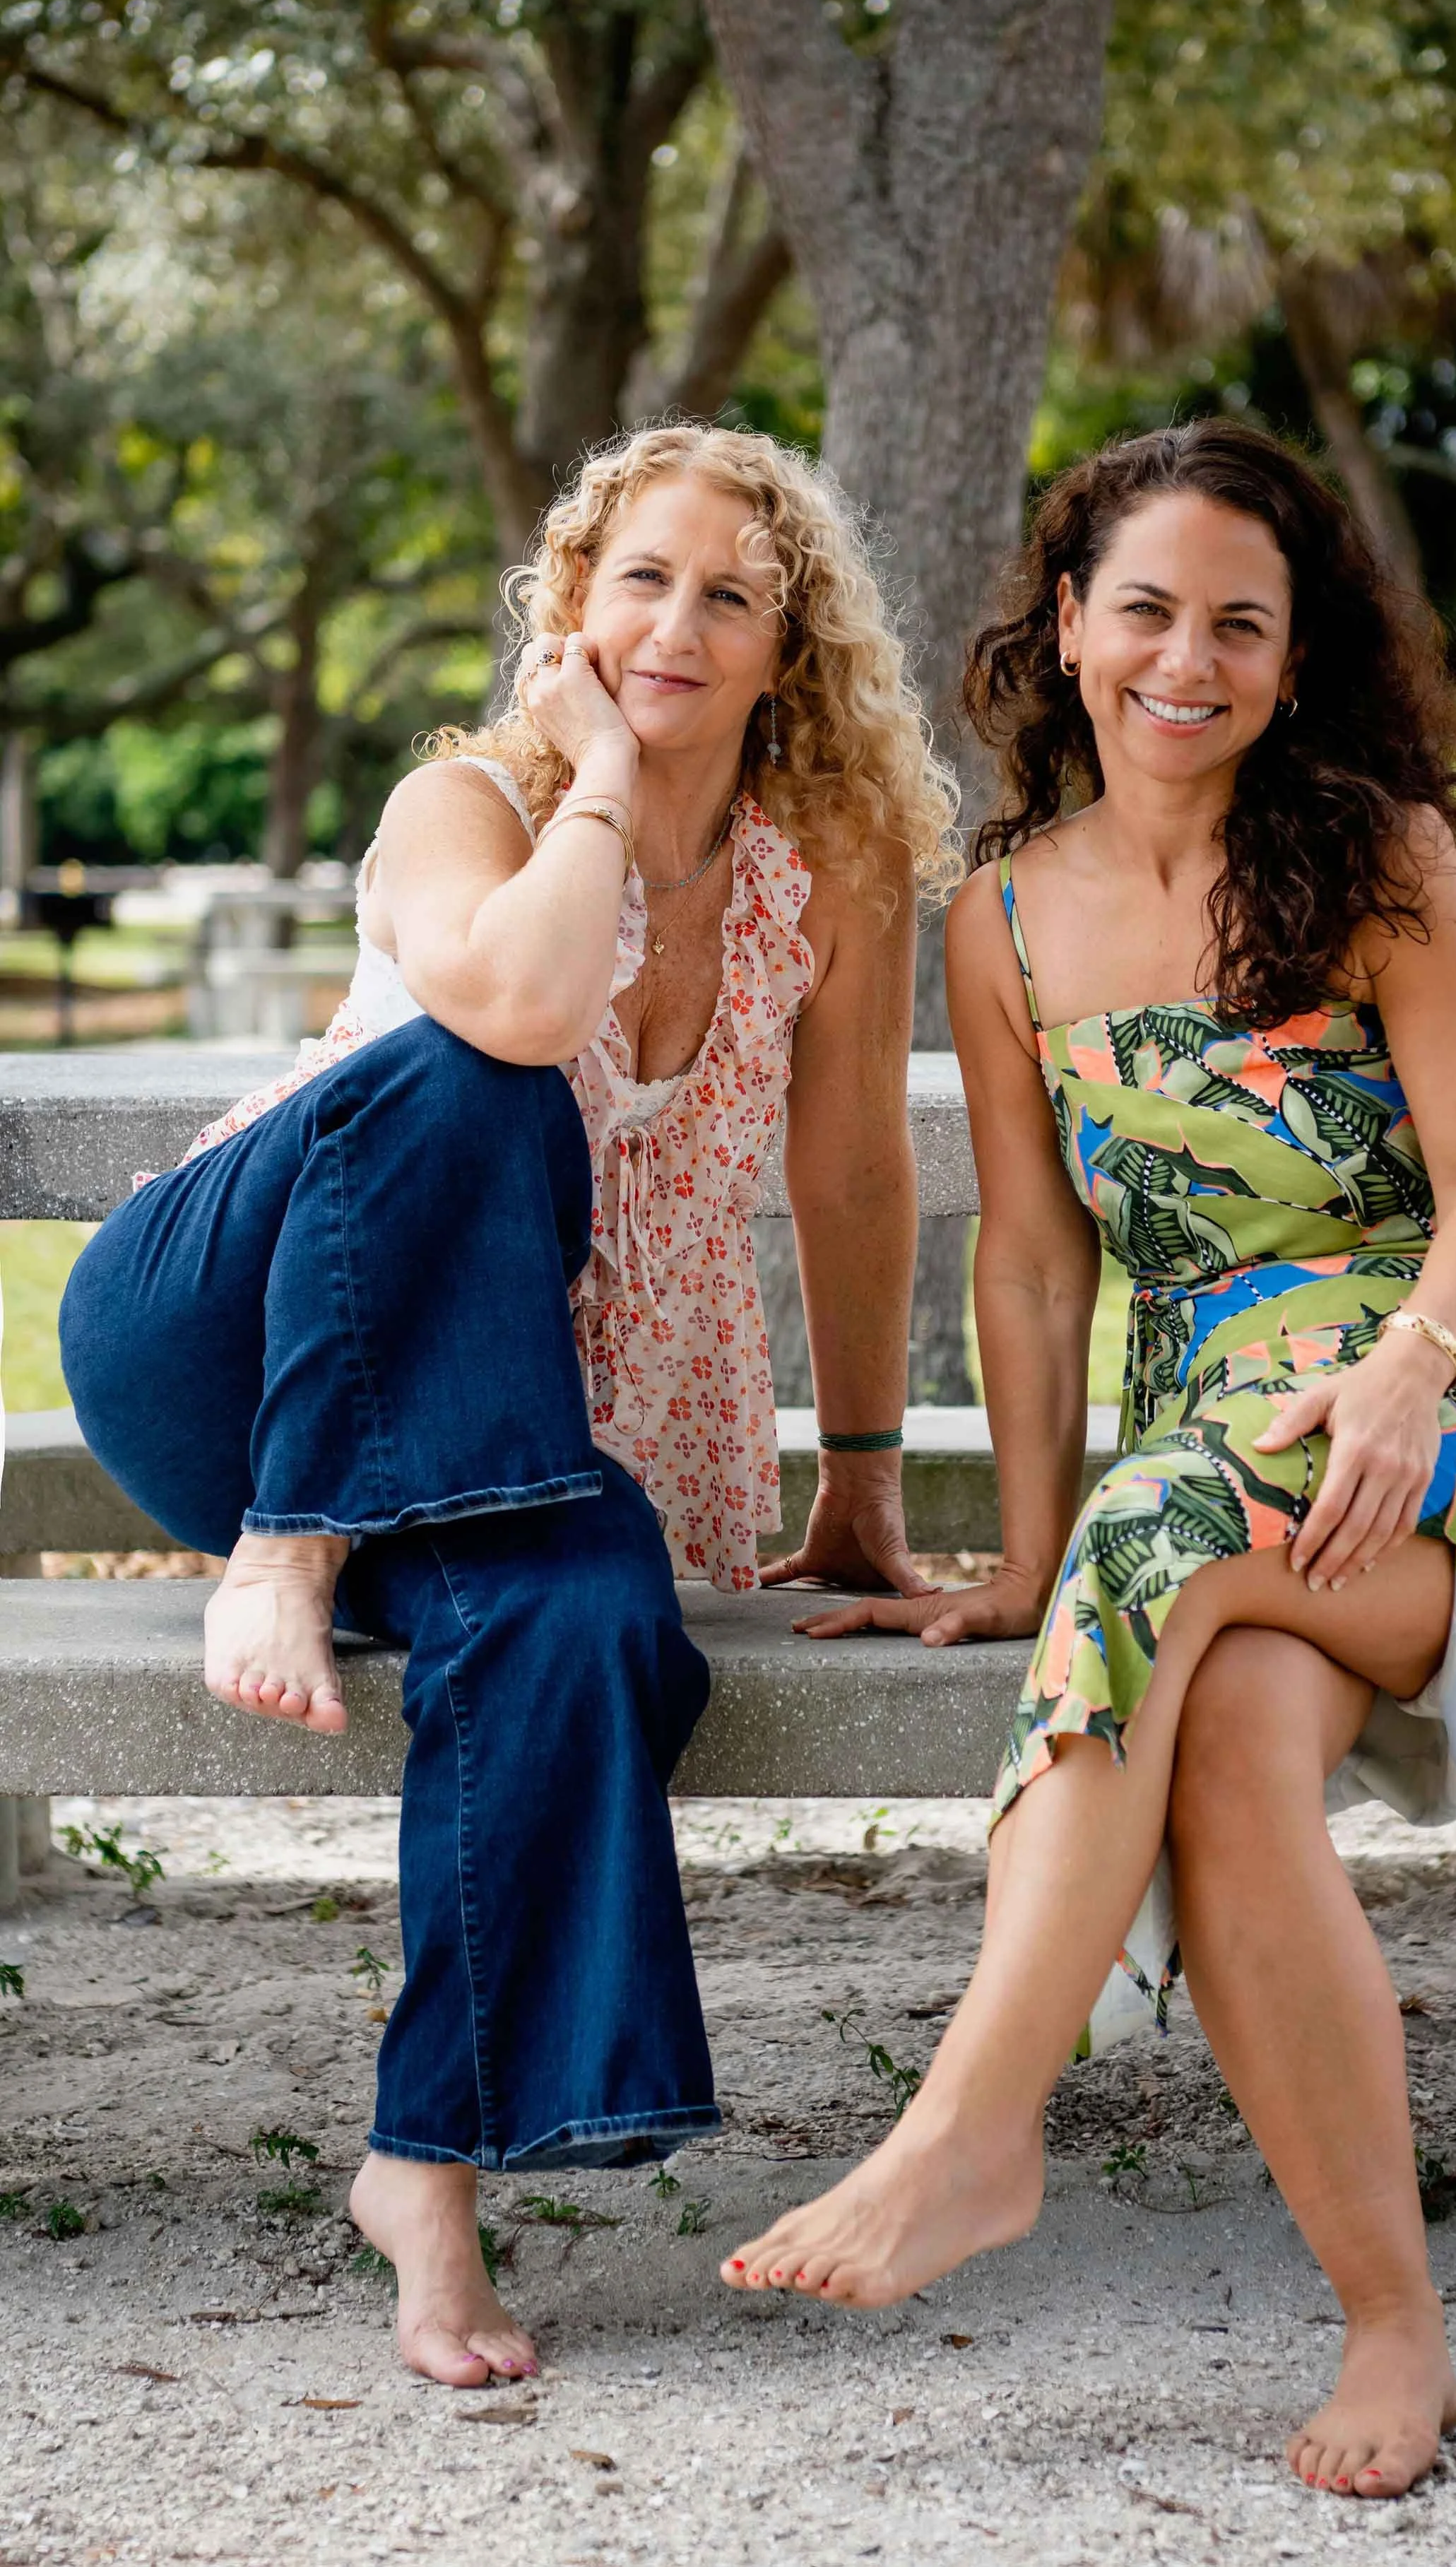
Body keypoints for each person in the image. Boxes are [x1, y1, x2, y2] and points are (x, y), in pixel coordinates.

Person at [718, 420, 1456, 2501]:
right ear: (1065, 629)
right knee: (1222, 1735)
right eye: (1142, 609)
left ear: (1294, 650)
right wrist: (1030, 1553)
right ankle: (1392, 2317)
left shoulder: (1376, 852)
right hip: (1230, 1464)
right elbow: (1039, 1269)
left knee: (1161, 1542)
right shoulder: (1004, 922)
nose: (1186, 658)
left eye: (1240, 621)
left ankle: (977, 2120)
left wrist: (1410, 1368)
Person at [59, 423, 957, 2388]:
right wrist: (609, 788)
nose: (680, 621)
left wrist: (865, 1474)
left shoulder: (832, 872)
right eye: (640, 577)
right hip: (221, 1341)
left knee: (581, 1616)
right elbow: (524, 1015)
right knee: (470, 1074)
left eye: (733, 592)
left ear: (789, 644)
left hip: (510, 1423)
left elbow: (853, 1175)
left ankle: (426, 2172)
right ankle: (282, 1551)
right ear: (570, 608)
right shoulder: (465, 801)